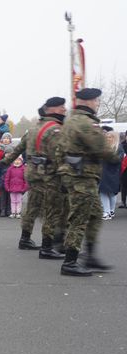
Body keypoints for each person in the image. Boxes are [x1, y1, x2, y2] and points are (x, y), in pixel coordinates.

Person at [58, 88, 117, 276]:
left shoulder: (69, 121)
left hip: (76, 175)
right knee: (80, 217)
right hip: (82, 177)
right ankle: (70, 262)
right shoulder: (85, 123)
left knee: (95, 214)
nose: (97, 104)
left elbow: (59, 150)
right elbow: (102, 149)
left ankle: (90, 256)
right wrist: (115, 157)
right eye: (96, 101)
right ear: (88, 102)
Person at [1, 96, 67, 255]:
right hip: (49, 175)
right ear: (52, 109)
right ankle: (47, 246)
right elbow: (59, 155)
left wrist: (6, 160)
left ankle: (25, 239)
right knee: (51, 210)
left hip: (32, 173)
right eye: (62, 107)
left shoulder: (33, 129)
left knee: (32, 206)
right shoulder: (56, 129)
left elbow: (18, 149)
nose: (65, 110)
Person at [98, 127, 124, 220]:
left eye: (110, 137)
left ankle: (109, 211)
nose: (108, 138)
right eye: (107, 137)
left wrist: (106, 154)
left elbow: (116, 160)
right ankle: (108, 211)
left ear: (115, 138)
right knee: (103, 192)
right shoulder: (104, 148)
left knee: (111, 194)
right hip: (103, 173)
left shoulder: (119, 148)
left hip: (112, 174)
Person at [0, 132, 13, 216]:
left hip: (10, 173)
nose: (6, 140)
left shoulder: (13, 149)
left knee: (9, 194)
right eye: (4, 138)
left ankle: (9, 209)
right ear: (2, 139)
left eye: (8, 138)